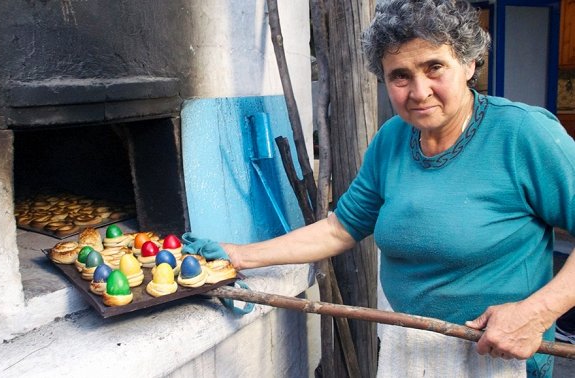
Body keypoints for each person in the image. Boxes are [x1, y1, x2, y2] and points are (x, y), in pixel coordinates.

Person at [221, 0, 575, 376]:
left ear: (469, 64)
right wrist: (240, 255)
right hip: (410, 348)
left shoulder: (523, 134)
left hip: (496, 357)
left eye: (434, 67)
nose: (419, 91)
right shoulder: (392, 139)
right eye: (400, 76)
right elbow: (340, 228)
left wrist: (536, 313)